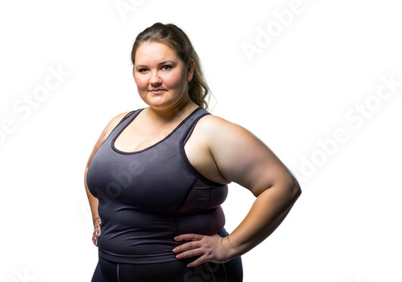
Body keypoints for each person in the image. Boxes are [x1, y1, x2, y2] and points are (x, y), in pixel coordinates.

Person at [84, 22, 301, 282]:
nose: (154, 79)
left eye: (166, 67)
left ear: (188, 70)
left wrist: (228, 246)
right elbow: (91, 171)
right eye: (143, 69)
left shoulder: (209, 132)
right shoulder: (119, 123)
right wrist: (99, 216)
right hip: (107, 271)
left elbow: (282, 186)